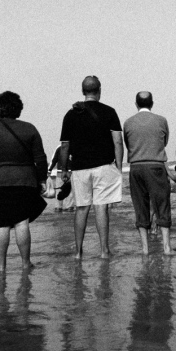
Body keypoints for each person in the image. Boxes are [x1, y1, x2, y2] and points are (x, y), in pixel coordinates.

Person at [0, 91, 48, 273]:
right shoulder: (29, 129)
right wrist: (42, 180)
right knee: (22, 222)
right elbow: (40, 159)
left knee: (1, 223)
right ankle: (25, 263)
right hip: (24, 181)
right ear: (18, 109)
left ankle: (1, 266)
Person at [58, 76, 124, 260]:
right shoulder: (109, 112)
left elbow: (65, 145)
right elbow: (118, 141)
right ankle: (104, 251)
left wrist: (64, 170)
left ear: (83, 91)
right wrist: (119, 167)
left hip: (80, 168)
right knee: (101, 208)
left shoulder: (71, 114)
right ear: (99, 90)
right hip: (103, 166)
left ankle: (78, 252)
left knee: (81, 208)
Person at [123, 91, 172, 255]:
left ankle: (145, 249)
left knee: (140, 206)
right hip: (156, 165)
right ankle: (166, 247)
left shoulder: (128, 122)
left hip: (136, 166)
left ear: (136, 104)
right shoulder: (161, 120)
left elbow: (128, 144)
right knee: (162, 204)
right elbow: (164, 142)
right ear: (152, 103)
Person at [47, 145, 75, 212]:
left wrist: (49, 170)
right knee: (70, 190)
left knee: (59, 190)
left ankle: (58, 207)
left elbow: (54, 160)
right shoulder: (74, 147)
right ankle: (69, 207)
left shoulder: (59, 148)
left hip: (60, 172)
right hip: (71, 172)